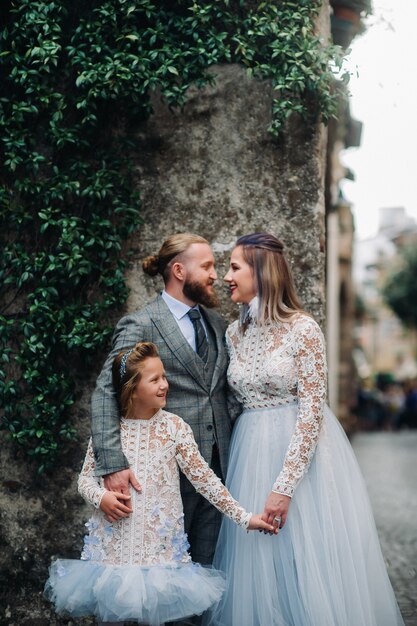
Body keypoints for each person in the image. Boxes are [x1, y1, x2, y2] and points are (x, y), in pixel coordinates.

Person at [204, 233, 405, 626]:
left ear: (262, 272)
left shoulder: (303, 329)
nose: (227, 276)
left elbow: (313, 410)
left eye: (235, 267)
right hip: (249, 453)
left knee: (306, 558)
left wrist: (284, 485)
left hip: (299, 457)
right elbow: (232, 403)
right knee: (257, 563)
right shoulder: (233, 333)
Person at [45, 342, 274, 625]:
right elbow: (85, 480)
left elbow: (205, 480)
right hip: (114, 555)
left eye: (164, 376)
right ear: (131, 388)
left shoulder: (174, 428)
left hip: (159, 556)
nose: (164, 384)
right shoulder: (109, 432)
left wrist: (245, 517)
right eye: (155, 379)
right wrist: (100, 498)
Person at [90, 233, 238, 567]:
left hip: (218, 468)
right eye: (207, 266)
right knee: (164, 573)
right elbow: (105, 391)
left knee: (206, 569)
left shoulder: (216, 324)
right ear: (179, 271)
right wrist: (112, 463)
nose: (215, 274)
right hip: (162, 475)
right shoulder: (141, 323)